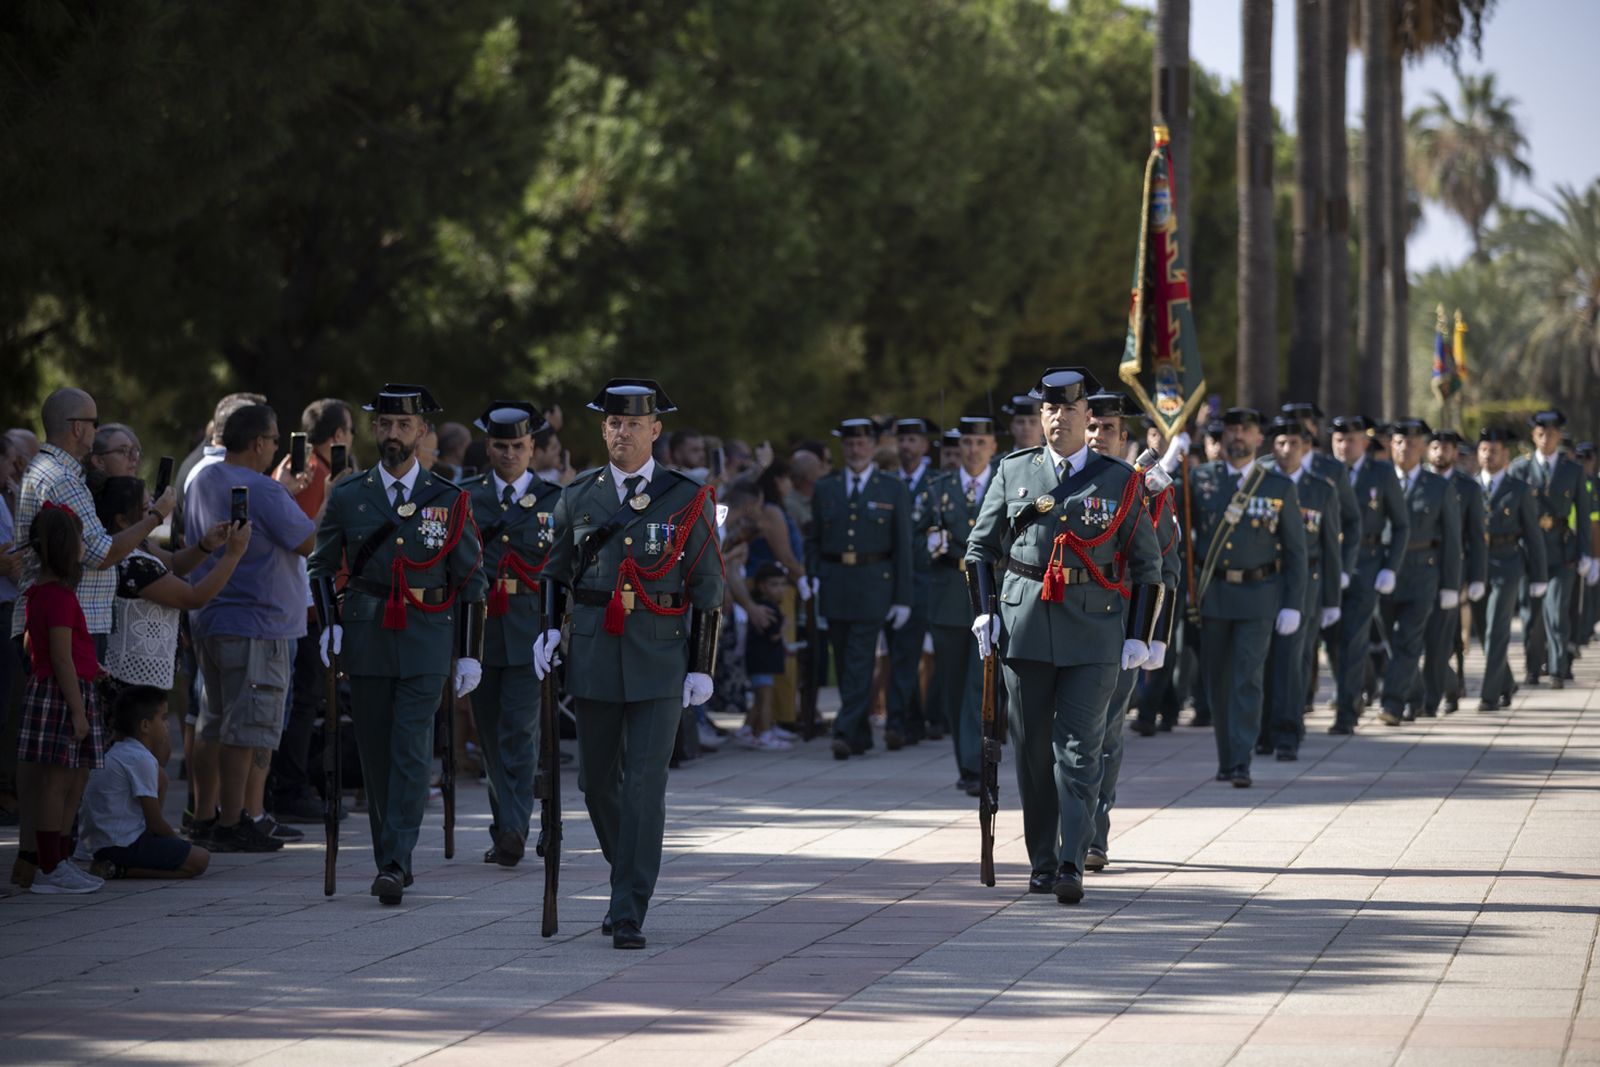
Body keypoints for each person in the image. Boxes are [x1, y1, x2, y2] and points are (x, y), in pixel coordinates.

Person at [532, 378, 724, 950]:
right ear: (603, 429)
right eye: (614, 423)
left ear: (655, 430)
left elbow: (708, 585)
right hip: (594, 651)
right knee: (595, 782)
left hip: (660, 653)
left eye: (635, 423)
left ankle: (627, 906)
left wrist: (702, 664)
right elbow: (554, 571)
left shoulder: (686, 497)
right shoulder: (578, 494)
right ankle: (628, 872)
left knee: (644, 784)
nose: (623, 432)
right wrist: (548, 628)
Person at [965, 368, 1162, 905]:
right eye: (1048, 410)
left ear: (1085, 417)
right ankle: (1043, 863)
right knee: (1031, 755)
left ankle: (1072, 861)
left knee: (1080, 751)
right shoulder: (1012, 472)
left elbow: (1149, 563)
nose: (1057, 418)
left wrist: (1139, 635)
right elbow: (979, 549)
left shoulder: (1119, 480)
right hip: (1025, 628)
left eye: (1068, 410)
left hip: (1094, 632)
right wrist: (985, 612)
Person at [310, 384, 487, 905]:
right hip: (365, 635)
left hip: (425, 638)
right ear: (374, 430)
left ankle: (395, 860)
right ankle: (392, 854)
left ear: (422, 433)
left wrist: (470, 651)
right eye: (385, 425)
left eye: (403, 426)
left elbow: (471, 579)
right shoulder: (348, 495)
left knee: (410, 751)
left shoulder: (449, 499)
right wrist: (329, 624)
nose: (393, 434)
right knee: (375, 754)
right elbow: (321, 567)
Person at [10, 389, 175, 888]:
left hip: (72, 623)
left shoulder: (54, 472)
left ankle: (43, 859)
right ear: (77, 427)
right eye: (94, 422)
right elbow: (100, 554)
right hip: (69, 625)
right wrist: (156, 515)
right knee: (63, 756)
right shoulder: (61, 476)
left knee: (66, 756)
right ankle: (47, 862)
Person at [186, 403, 318, 853]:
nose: (278, 447)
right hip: (260, 624)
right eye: (276, 439)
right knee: (250, 728)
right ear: (259, 443)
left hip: (212, 616)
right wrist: (330, 500)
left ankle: (205, 815)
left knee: (212, 723)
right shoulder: (263, 489)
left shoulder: (204, 477)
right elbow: (307, 541)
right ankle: (235, 819)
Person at [1082, 391, 1179, 871]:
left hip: (1122, 624)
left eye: (1108, 430)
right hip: (1066, 622)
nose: (1098, 437)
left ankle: (1093, 835)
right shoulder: (1057, 482)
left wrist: (1155, 633)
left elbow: (1166, 566)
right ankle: (1066, 830)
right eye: (1092, 427)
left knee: (1105, 734)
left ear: (1125, 438)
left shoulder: (1148, 489)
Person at [462, 401, 562, 867]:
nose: (508, 454)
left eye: (518, 446)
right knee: (489, 733)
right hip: (480, 630)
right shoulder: (466, 497)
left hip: (526, 626)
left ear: (533, 448)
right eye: (500, 446)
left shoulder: (553, 500)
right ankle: (506, 822)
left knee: (519, 733)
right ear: (488, 446)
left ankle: (514, 830)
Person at [1188, 407, 1307, 786]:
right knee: (1217, 681)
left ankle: (1241, 760)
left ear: (1259, 438)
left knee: (1247, 677)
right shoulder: (1200, 480)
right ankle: (1226, 758)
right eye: (1231, 429)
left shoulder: (1278, 486)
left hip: (1260, 596)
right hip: (1213, 594)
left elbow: (1295, 552)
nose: (1238, 435)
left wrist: (1293, 603)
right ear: (1222, 438)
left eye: (1246, 429)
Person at [268, 398, 355, 823]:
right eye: (351, 431)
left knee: (304, 699)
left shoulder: (293, 469)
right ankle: (291, 786)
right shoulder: (316, 475)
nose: (352, 439)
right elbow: (310, 540)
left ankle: (292, 782)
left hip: (303, 602)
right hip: (306, 603)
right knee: (304, 700)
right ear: (337, 436)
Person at [806, 418, 913, 761]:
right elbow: (814, 539)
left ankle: (844, 729)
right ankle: (861, 735)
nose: (856, 450)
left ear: (871, 446)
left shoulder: (891, 487)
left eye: (862, 444)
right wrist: (811, 574)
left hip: (873, 583)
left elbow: (903, 547)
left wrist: (902, 597)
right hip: (837, 581)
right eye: (850, 444)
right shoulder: (827, 487)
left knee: (860, 659)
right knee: (844, 655)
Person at [18, 503, 105, 894]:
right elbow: (60, 655)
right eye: (80, 539)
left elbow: (32, 643)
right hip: (62, 694)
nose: (84, 546)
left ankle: (59, 860)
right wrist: (77, 710)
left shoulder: (40, 593)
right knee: (56, 783)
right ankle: (51, 868)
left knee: (72, 778)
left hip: (65, 687)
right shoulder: (59, 597)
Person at [94, 477, 250, 691]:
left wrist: (206, 545)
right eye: (146, 509)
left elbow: (176, 563)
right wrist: (233, 554)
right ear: (121, 520)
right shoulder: (132, 563)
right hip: (135, 684)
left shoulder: (136, 545)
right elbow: (194, 597)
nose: (153, 515)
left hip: (144, 677)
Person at [1257, 418, 1340, 761]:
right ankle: (1262, 732)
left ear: (1306, 448)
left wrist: (1332, 598)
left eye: (1294, 443)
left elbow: (1330, 546)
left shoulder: (1321, 489)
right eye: (1280, 443)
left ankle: (1288, 733)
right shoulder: (1259, 483)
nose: (1286, 450)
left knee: (1291, 663)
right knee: (1261, 660)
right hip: (1263, 580)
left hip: (1303, 582)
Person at [1374, 419, 1461, 726]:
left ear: (1422, 447)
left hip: (1422, 572)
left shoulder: (1438, 486)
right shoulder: (1379, 479)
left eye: (1412, 443)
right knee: (1390, 640)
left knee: (1408, 641)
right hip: (1384, 570)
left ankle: (1393, 704)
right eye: (1398, 441)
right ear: (1390, 445)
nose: (1405, 448)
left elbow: (1452, 538)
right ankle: (1418, 693)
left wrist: (1451, 584)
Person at [79, 686, 210, 880]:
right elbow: (155, 823)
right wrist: (180, 846)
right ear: (145, 726)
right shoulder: (140, 759)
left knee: (162, 777)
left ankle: (116, 864)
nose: (167, 725)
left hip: (103, 845)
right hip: (120, 846)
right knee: (200, 858)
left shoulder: (123, 751)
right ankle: (120, 870)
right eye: (163, 718)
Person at [1329, 414, 1408, 734]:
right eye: (1338, 440)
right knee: (1332, 641)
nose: (1344, 446)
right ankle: (1354, 690)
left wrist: (1390, 566)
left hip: (1367, 562)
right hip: (1330, 565)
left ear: (1364, 442)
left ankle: (1346, 713)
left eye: (1351, 440)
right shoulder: (1324, 471)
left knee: (1353, 639)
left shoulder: (1382, 473)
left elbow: (1401, 524)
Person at [933, 416, 996, 794]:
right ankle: (965, 761)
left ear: (992, 446)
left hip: (988, 592)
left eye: (980, 442)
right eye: (966, 443)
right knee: (955, 687)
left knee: (979, 685)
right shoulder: (938, 488)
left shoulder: (1004, 484)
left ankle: (976, 765)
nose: (972, 450)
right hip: (947, 595)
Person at [1508, 410, 1594, 689]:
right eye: (1541, 433)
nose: (1546, 439)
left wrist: (1586, 553)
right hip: (1529, 550)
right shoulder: (1520, 469)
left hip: (1561, 549)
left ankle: (1557, 668)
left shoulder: (1573, 470)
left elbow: (1583, 516)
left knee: (1557, 611)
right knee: (1531, 614)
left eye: (1552, 433)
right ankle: (1533, 666)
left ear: (1560, 436)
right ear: (1533, 436)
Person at [1477, 427, 1548, 709]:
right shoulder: (1470, 487)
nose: (1488, 455)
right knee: (1483, 630)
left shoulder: (1518, 490)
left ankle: (1489, 694)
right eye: (1483, 450)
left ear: (1505, 455)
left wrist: (1539, 575)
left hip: (1508, 562)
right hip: (1478, 564)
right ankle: (1506, 681)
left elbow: (1532, 534)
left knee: (1497, 628)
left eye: (1494, 451)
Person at [1418, 430, 1486, 715]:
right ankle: (1445, 685)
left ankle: (1433, 698)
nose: (1439, 453)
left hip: (1453, 568)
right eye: (1434, 447)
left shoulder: (1467, 488)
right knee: (1420, 638)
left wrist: (1477, 576)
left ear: (1455, 452)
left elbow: (1475, 535)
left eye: (1445, 448)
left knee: (1444, 638)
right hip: (1418, 567)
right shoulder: (1417, 481)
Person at [887, 417, 938, 748]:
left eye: (913, 440)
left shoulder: (938, 482)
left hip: (935, 577)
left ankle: (926, 716)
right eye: (902, 440)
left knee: (944, 658)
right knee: (904, 654)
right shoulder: (888, 483)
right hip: (902, 580)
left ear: (924, 445)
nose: (906, 446)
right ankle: (899, 721)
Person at [740, 562, 792, 750]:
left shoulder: (763, 606)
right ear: (762, 586)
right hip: (762, 660)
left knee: (759, 697)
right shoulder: (766, 609)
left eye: (782, 584)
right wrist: (785, 625)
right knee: (766, 697)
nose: (780, 589)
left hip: (760, 660)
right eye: (774, 584)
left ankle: (747, 729)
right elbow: (773, 633)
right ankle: (765, 733)